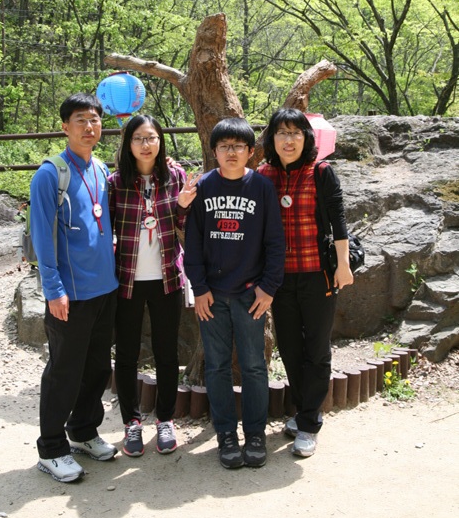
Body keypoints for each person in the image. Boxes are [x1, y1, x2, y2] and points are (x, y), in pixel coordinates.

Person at [184, 117, 285, 469]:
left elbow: (275, 242)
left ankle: (255, 434)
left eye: (238, 146)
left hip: (250, 295)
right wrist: (199, 288)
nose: (231, 152)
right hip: (211, 296)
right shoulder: (203, 187)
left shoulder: (261, 188)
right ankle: (226, 434)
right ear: (214, 151)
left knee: (254, 366)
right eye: (224, 146)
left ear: (250, 152)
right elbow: (192, 243)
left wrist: (268, 288)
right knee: (216, 367)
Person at [30, 93, 118, 483]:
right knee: (64, 371)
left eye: (94, 119)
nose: (89, 126)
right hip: (70, 294)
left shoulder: (100, 168)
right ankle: (51, 449)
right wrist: (53, 289)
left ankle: (83, 431)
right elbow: (41, 236)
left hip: (105, 289)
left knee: (97, 369)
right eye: (80, 119)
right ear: (65, 126)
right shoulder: (50, 174)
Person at [257, 107, 353, 458]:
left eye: (296, 132)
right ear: (272, 139)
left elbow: (338, 220)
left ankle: (310, 423)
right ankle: (302, 411)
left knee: (316, 348)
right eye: (282, 132)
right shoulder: (263, 175)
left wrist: (343, 265)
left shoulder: (321, 172)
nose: (289, 139)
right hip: (279, 278)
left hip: (318, 274)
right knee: (290, 348)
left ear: (306, 138)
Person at [108, 115, 200, 457]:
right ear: (128, 144)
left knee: (166, 352)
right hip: (126, 279)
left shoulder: (175, 176)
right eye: (138, 138)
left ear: (160, 141)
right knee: (127, 353)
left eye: (151, 138)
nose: (145, 145)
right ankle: (131, 422)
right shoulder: (115, 182)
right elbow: (106, 227)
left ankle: (165, 419)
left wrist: (183, 206)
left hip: (167, 277)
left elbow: (184, 224)